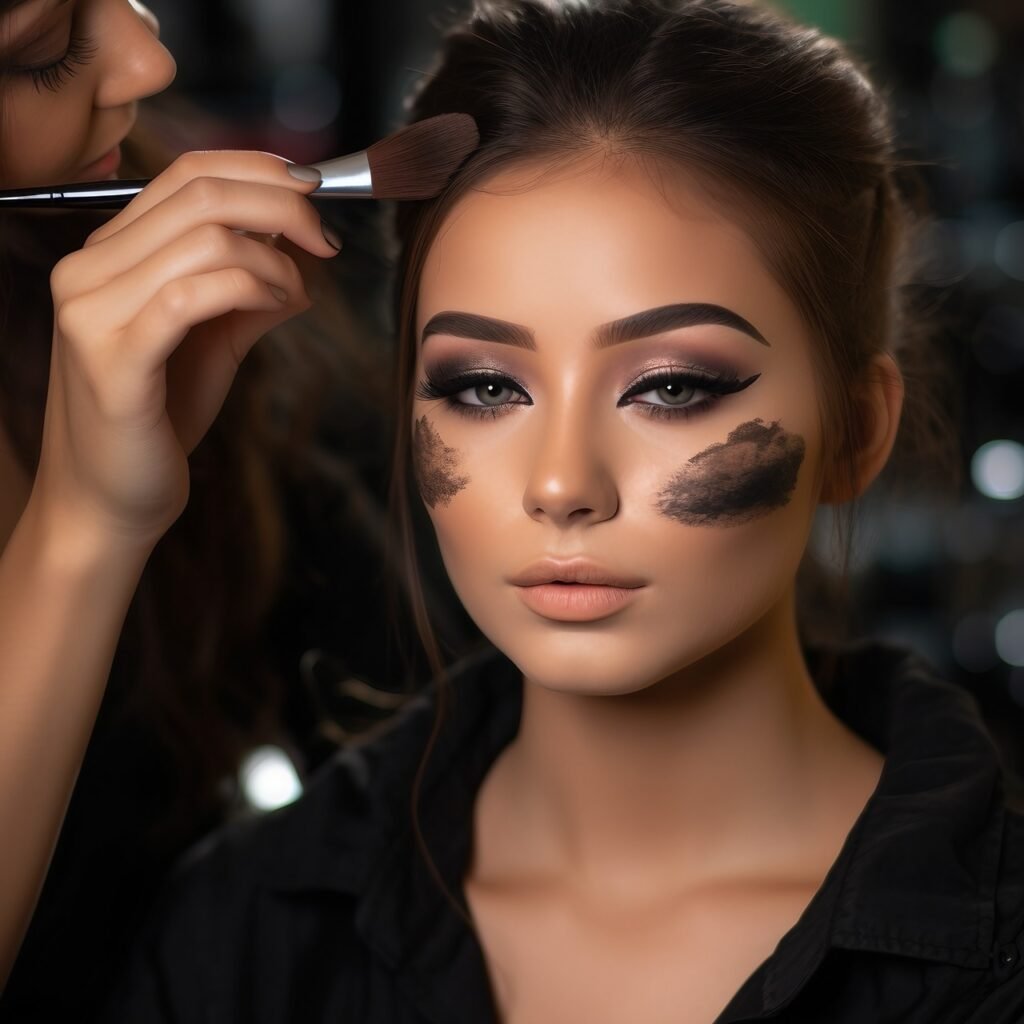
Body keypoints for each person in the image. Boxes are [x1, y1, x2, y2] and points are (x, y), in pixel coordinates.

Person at [48, 0, 1024, 1020]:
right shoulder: (244, 937)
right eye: (482, 386)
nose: (561, 485)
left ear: (856, 431)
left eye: (672, 387)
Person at [0, 0, 391, 1015]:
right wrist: (86, 530)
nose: (147, 58)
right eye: (42, 49)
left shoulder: (104, 261)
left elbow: (414, 707)